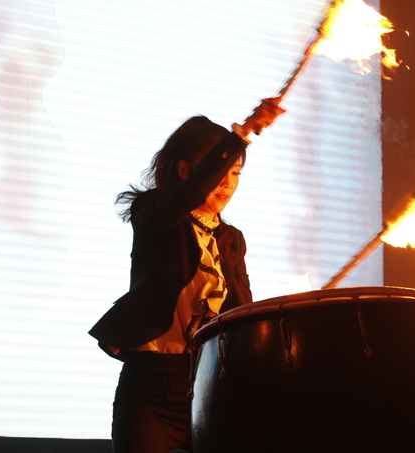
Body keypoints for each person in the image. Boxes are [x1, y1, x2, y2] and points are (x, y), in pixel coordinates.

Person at [89, 98, 285, 453]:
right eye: (219, 170)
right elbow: (189, 195)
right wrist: (243, 132)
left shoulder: (231, 239)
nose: (226, 182)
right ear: (184, 171)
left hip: (212, 387)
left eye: (236, 173)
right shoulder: (154, 215)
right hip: (150, 389)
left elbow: (241, 314)